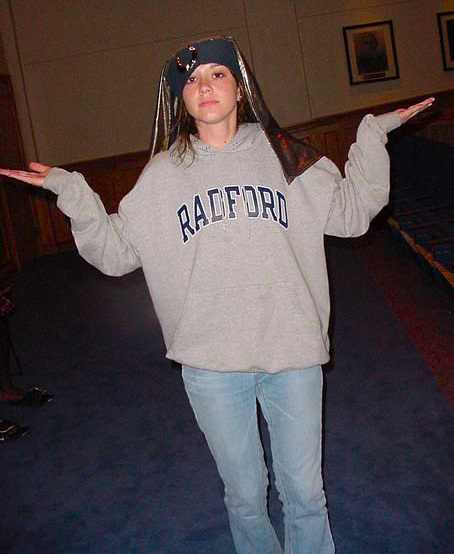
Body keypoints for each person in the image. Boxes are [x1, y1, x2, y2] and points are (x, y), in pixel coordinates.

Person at [0, 36, 433, 553]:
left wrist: (370, 138)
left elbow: (351, 213)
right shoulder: (163, 175)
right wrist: (73, 193)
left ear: (240, 86)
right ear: (181, 99)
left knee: (305, 494)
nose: (204, 86)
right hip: (211, 365)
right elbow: (116, 252)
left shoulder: (287, 155)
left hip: (291, 351)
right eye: (192, 80)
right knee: (245, 496)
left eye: (217, 74)